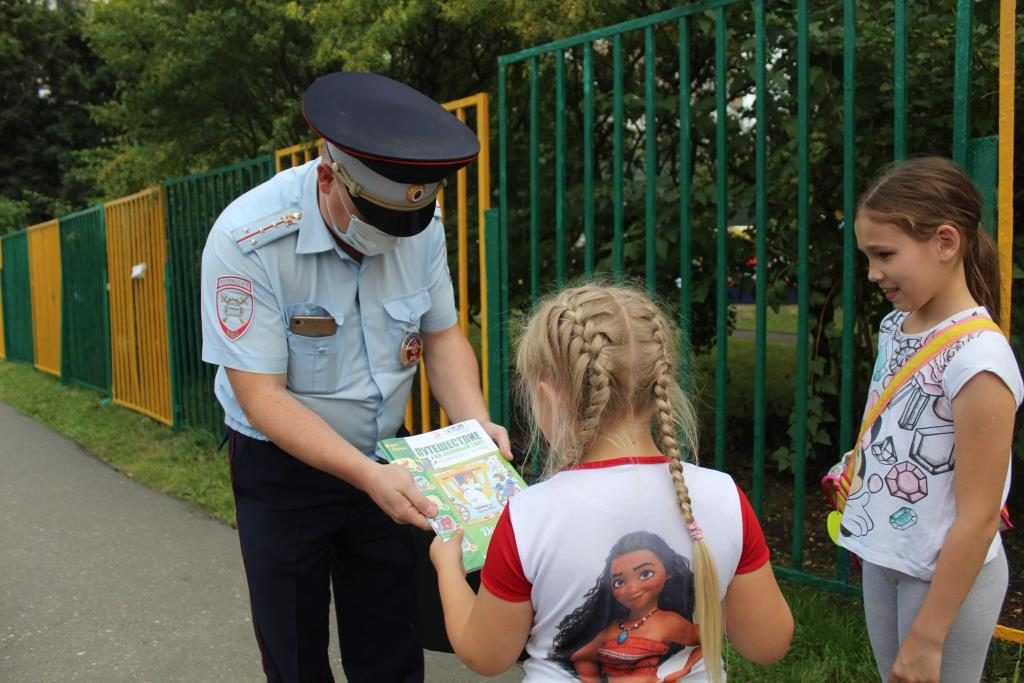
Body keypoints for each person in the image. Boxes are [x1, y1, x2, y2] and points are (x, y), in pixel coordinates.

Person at [199, 71, 510, 683]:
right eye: (376, 220)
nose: (388, 241)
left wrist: (475, 423)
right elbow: (260, 396)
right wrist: (367, 475)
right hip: (282, 467)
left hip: (389, 463)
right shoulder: (247, 241)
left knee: (391, 636)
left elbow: (443, 335)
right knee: (293, 645)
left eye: (404, 225)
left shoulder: (418, 222)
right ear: (327, 176)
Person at [429, 284, 793, 682]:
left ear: (548, 397)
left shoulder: (527, 517)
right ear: (661, 389)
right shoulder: (722, 497)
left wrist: (447, 567)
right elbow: (768, 643)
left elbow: (486, 654)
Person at [840, 156, 1021, 683]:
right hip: (886, 555)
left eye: (884, 255)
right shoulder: (896, 327)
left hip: (942, 580)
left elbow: (980, 517)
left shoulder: (979, 362)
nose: (873, 273)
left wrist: (927, 635)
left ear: (945, 242)